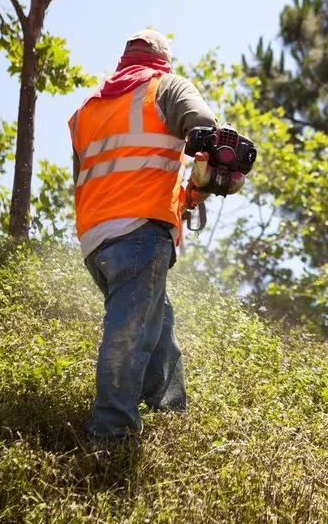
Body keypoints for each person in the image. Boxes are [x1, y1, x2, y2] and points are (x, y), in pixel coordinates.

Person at [67, 29, 218, 444]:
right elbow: (205, 131)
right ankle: (110, 435)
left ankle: (171, 412)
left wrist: (186, 194)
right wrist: (206, 177)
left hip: (96, 239)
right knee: (129, 332)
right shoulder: (166, 87)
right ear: (161, 60)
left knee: (156, 321)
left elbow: (99, 174)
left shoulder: (87, 108)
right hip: (140, 232)